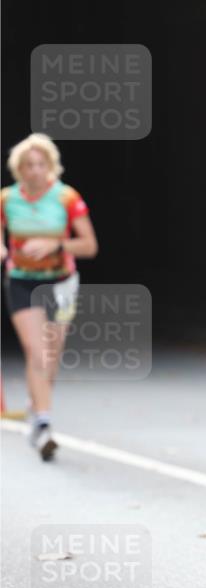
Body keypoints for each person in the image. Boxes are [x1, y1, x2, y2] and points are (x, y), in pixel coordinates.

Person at [1, 134, 98, 460]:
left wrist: (56, 245)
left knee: (51, 359)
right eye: (28, 165)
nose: (35, 171)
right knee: (37, 352)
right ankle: (43, 425)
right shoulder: (6, 199)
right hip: (22, 282)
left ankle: (36, 405)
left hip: (60, 283)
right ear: (19, 169)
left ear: (50, 166)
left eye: (41, 164)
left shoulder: (67, 198)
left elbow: (89, 246)